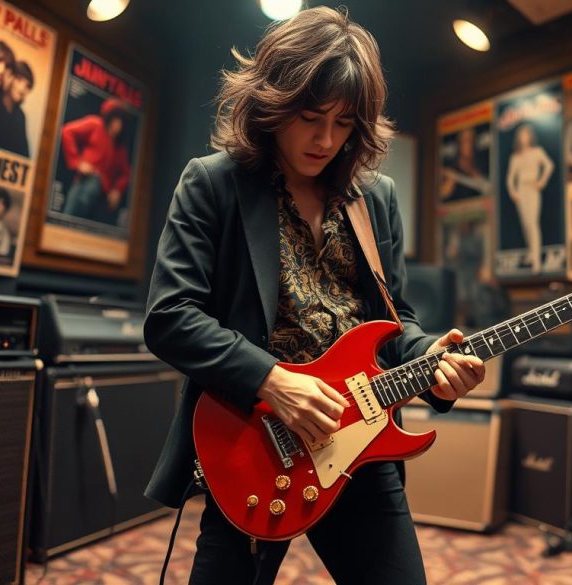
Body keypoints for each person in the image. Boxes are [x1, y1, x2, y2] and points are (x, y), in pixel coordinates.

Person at [143, 8, 485, 584]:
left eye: (344, 122)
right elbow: (170, 316)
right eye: (309, 117)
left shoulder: (376, 197)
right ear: (271, 103)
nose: (326, 139)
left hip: (361, 437)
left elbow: (394, 320)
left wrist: (431, 357)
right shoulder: (213, 182)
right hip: (256, 439)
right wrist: (273, 381)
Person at [59, 98, 132, 224]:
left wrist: (117, 190)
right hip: (84, 181)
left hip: (102, 195)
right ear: (110, 118)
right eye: (116, 119)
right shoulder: (95, 124)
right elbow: (67, 132)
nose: (118, 125)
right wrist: (77, 162)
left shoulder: (120, 147)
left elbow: (126, 173)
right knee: (69, 218)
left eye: (121, 121)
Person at [505, 123, 554, 273]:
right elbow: (510, 178)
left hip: (532, 189)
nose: (524, 138)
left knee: (532, 223)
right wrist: (513, 192)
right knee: (526, 224)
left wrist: (542, 181)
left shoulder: (537, 151)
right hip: (521, 190)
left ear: (530, 137)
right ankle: (531, 254)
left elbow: (549, 165)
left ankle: (537, 260)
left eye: (526, 135)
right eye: (521, 135)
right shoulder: (515, 157)